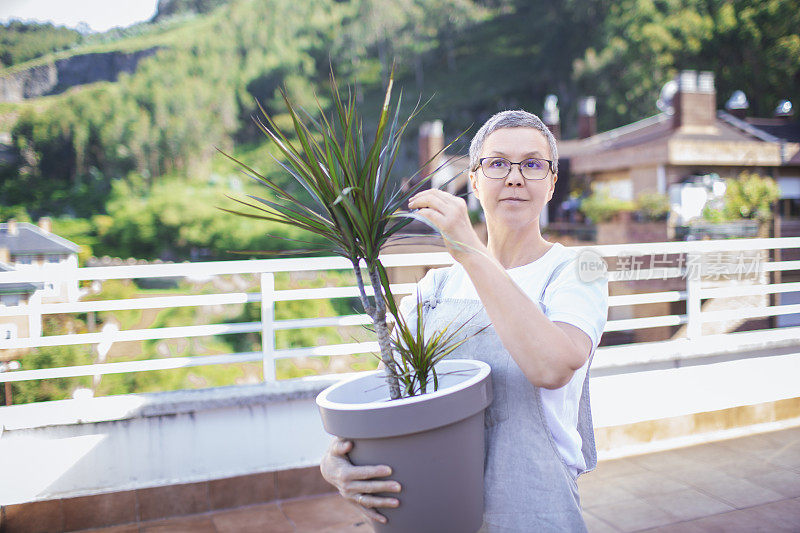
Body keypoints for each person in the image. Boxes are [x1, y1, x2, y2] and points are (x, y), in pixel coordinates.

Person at [320, 110, 608, 532]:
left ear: (551, 183)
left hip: (537, 511)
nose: (514, 177)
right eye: (496, 164)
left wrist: (469, 250)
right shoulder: (433, 289)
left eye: (532, 164)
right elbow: (386, 395)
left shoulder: (580, 268)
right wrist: (336, 459)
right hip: (432, 509)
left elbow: (552, 366)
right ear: (473, 181)